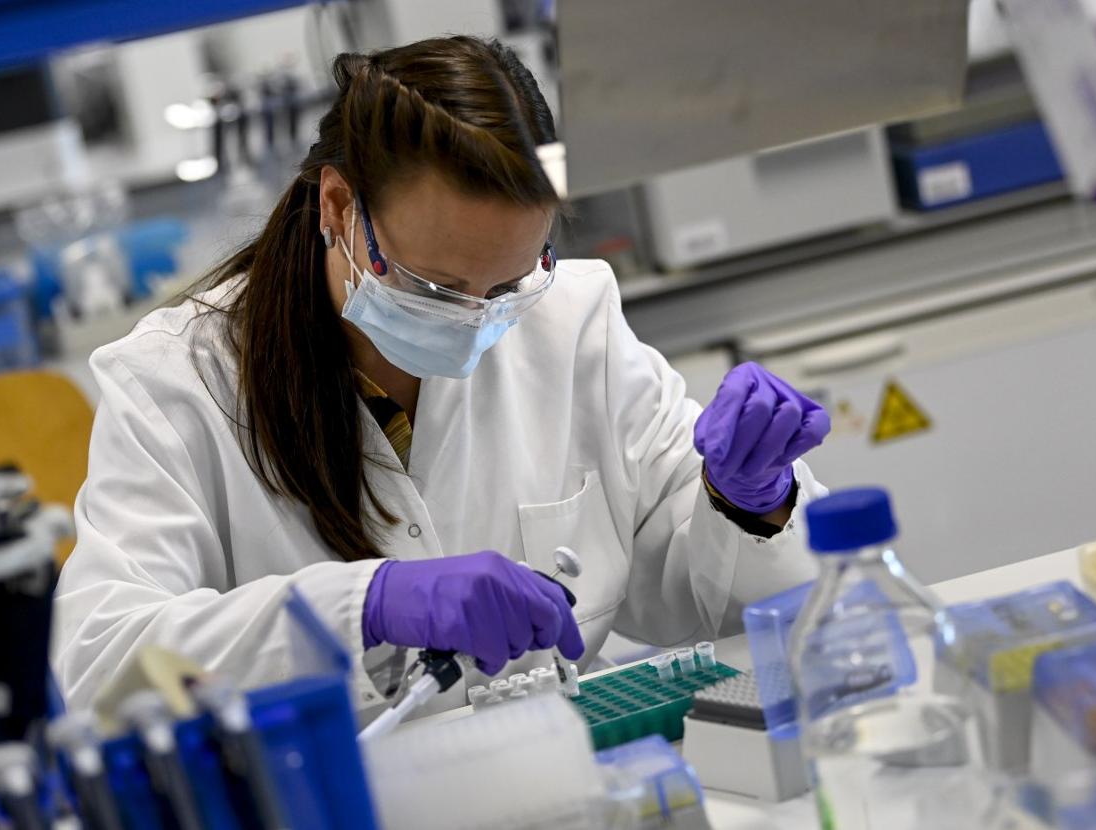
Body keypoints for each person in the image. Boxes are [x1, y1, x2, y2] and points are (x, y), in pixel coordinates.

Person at [51, 35, 830, 714]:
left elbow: (700, 596)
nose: (474, 320)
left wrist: (746, 503)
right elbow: (105, 665)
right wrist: (367, 606)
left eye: (506, 285)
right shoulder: (177, 385)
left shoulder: (572, 317)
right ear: (337, 206)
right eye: (436, 288)